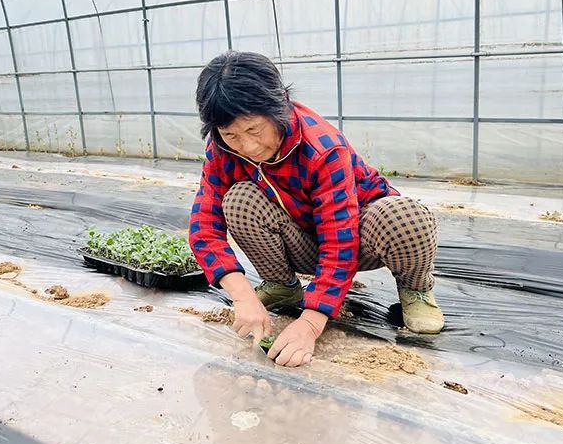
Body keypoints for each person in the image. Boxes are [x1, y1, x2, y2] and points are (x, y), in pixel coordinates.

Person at [188, 51, 444, 368]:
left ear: (279, 104)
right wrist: (241, 294)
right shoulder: (223, 150)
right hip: (304, 239)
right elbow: (204, 227)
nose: (248, 147)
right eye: (232, 135)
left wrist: (310, 324)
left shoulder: (322, 147)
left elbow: (340, 241)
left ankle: (415, 290)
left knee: (405, 217)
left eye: (254, 130)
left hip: (360, 237)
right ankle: (281, 286)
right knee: (239, 199)